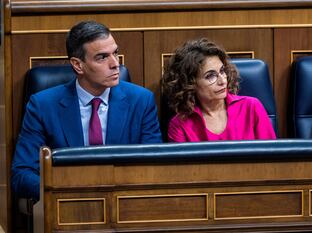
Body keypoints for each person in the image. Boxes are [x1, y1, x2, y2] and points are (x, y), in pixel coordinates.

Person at [12, 21, 162, 201]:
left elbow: (154, 167)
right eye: (102, 57)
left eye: (115, 53)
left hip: (125, 205)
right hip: (67, 209)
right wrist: (65, 195)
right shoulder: (43, 105)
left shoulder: (141, 101)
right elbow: (22, 174)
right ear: (77, 65)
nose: (115, 64)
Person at [162, 38, 276, 142]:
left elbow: (272, 157)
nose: (222, 81)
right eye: (210, 76)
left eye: (222, 71)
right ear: (190, 83)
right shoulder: (180, 125)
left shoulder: (251, 107)